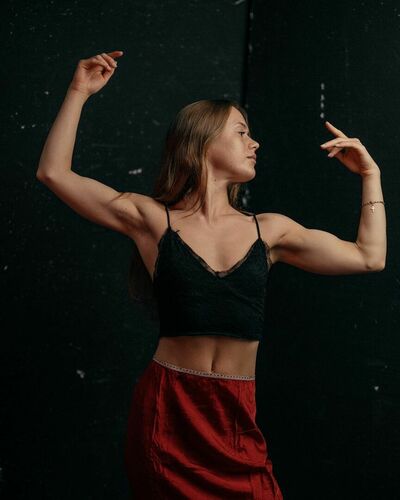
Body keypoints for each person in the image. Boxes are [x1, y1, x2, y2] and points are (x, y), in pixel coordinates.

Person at [36, 51, 387, 499]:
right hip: (169, 411)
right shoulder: (151, 220)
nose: (254, 143)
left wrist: (370, 175)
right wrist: (78, 91)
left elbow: (369, 257)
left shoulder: (270, 230)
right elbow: (53, 173)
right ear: (202, 140)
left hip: (235, 416)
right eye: (241, 132)